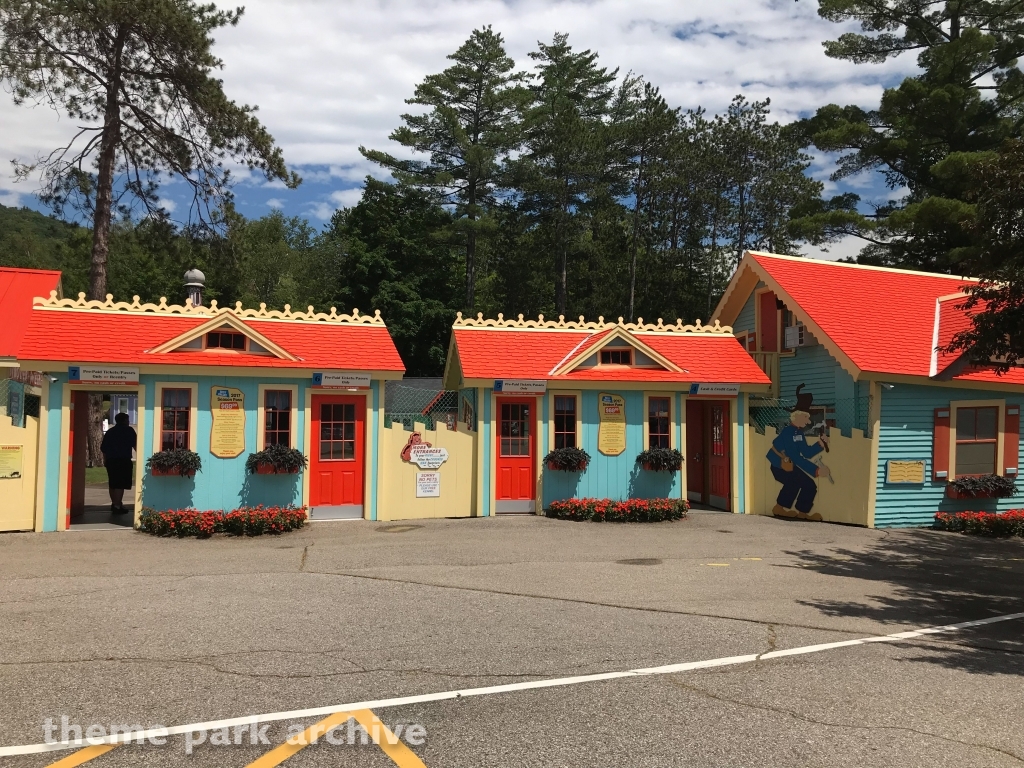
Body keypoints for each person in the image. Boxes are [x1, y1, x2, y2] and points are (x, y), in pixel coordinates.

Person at [766, 385, 829, 522]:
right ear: (797, 416)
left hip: (790, 464)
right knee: (793, 482)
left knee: (809, 485)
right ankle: (779, 508)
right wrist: (816, 470)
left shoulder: (799, 433)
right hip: (779, 465)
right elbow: (795, 457)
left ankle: (803, 512)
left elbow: (806, 452)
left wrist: (820, 444)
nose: (808, 421)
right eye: (806, 417)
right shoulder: (788, 432)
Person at [100, 412, 136, 514]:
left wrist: (105, 460)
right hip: (123, 460)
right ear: (125, 420)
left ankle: (115, 503)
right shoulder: (129, 430)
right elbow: (136, 444)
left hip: (111, 460)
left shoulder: (110, 431)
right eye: (128, 420)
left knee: (112, 483)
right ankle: (117, 506)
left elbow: (104, 448)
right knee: (120, 484)